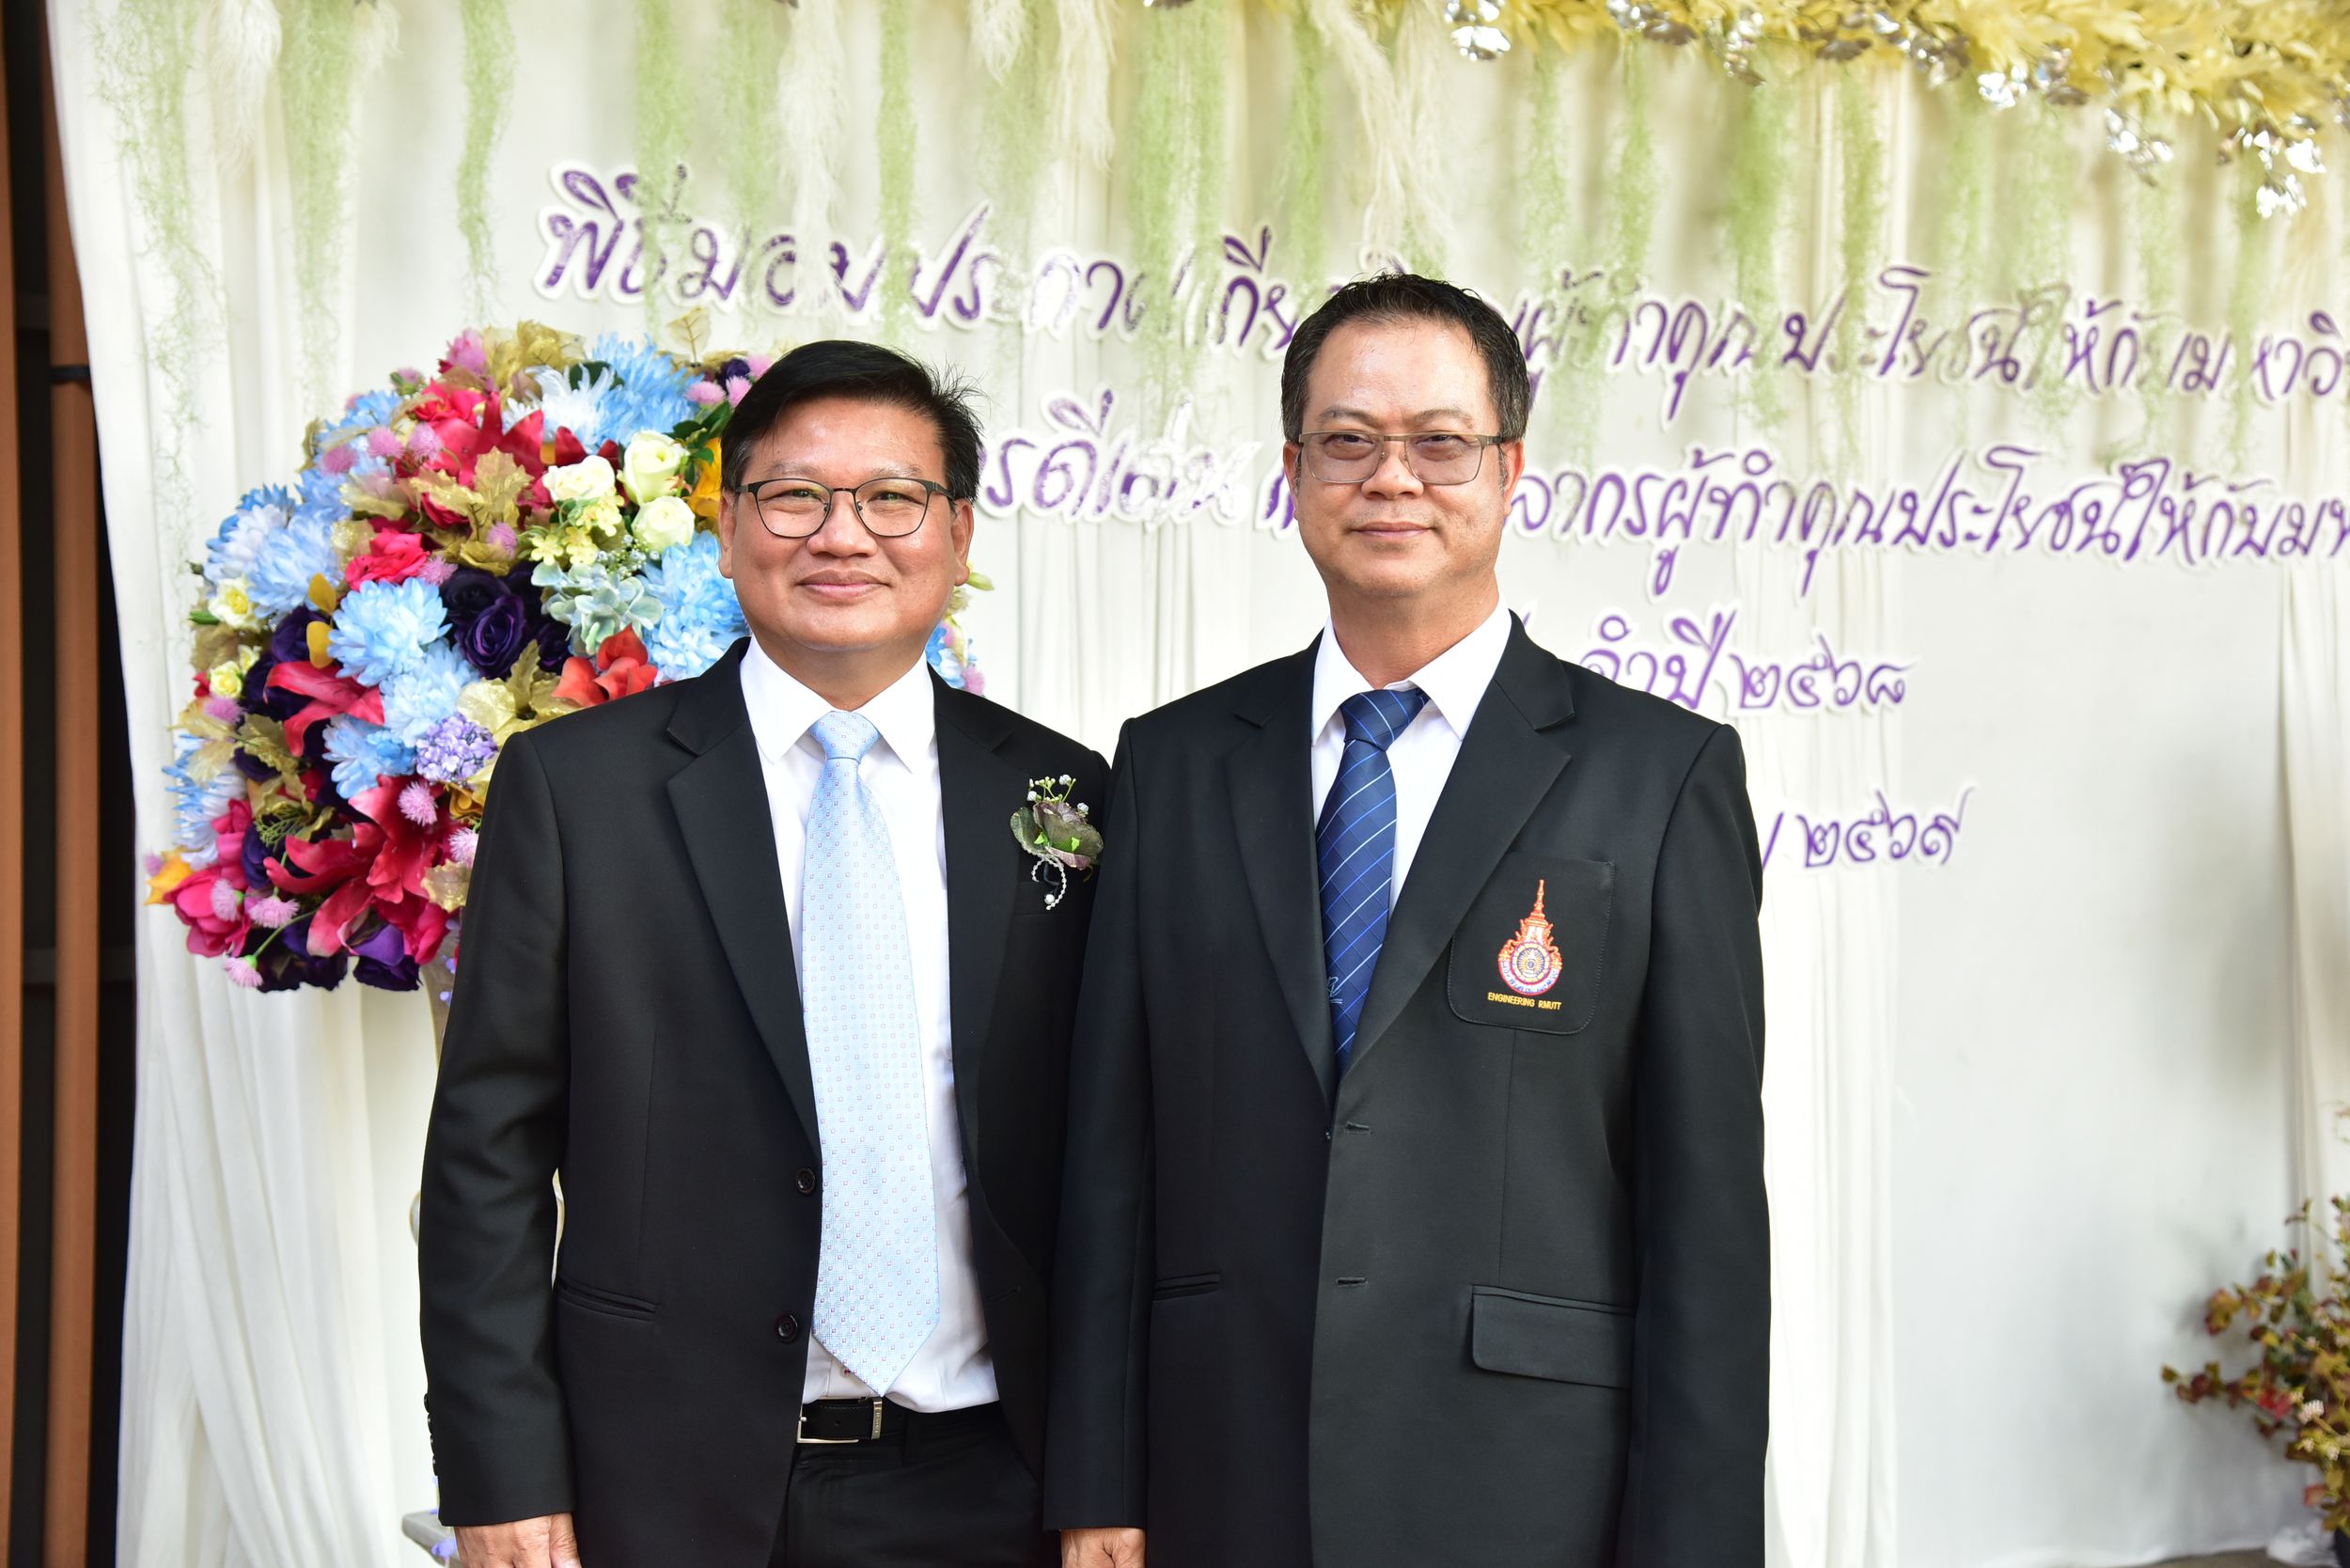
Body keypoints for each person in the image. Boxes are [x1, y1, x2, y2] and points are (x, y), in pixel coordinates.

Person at [1047, 274, 1769, 1568]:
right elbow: (1114, 1152)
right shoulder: (1175, 763)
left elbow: (1705, 1211)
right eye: (1347, 440)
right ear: (1292, 472)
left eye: (1440, 441)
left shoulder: (1659, 775)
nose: (1392, 478)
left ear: (1510, 468)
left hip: (1529, 1486)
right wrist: (1097, 1480)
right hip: (1224, 1471)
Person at [420, 341, 1106, 1568]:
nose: (842, 536)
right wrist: (500, 1472)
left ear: (956, 533)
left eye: (892, 498)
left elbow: (1115, 1166)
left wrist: (1109, 1477)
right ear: (729, 528)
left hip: (992, 1483)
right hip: (661, 1484)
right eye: (794, 497)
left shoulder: (1061, 792)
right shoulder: (580, 790)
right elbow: (489, 1158)